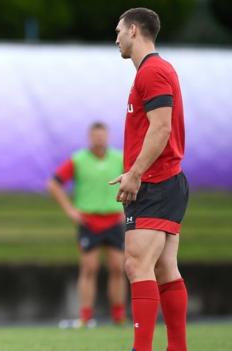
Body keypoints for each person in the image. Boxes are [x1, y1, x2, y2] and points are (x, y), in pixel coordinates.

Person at [112, 8, 189, 351]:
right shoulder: (156, 70)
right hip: (166, 181)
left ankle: (141, 348)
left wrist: (135, 174)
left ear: (132, 30)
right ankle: (177, 347)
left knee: (135, 263)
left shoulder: (153, 71)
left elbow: (160, 128)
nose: (115, 39)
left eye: (118, 31)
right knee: (164, 268)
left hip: (155, 182)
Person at [48, 122, 126, 328]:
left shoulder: (120, 158)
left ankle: (119, 316)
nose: (99, 139)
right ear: (89, 137)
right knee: (89, 268)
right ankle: (85, 316)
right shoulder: (79, 160)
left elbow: (136, 181)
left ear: (107, 136)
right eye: (95, 136)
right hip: (89, 220)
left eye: (102, 135)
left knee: (118, 267)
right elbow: (54, 183)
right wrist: (70, 210)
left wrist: (128, 208)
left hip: (114, 219)